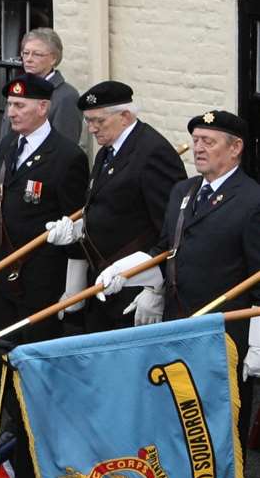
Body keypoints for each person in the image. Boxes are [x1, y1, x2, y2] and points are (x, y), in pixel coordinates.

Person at [99, 109, 260, 437]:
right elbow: (167, 247)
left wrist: (258, 341)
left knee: (222, 427)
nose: (198, 148)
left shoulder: (252, 199)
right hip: (178, 321)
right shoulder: (183, 192)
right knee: (177, 421)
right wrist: (133, 273)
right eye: (196, 140)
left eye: (209, 142)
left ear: (235, 148)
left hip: (224, 330)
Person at [0, 71, 88, 426]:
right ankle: (4, 424)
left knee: (36, 357)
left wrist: (72, 287)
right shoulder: (9, 146)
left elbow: (77, 225)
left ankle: (36, 427)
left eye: (19, 105)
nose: (11, 112)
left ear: (43, 107)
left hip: (41, 278)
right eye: (9, 105)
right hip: (4, 273)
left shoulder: (66, 156)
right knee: (1, 354)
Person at [45, 80, 184, 334]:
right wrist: (77, 229)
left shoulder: (153, 153)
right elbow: (105, 206)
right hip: (103, 281)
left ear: (125, 115)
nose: (92, 128)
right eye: (88, 121)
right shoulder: (108, 150)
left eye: (99, 120)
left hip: (134, 288)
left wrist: (157, 288)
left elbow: (171, 228)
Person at [19, 28, 81, 143]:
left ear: (53, 59)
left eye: (36, 54)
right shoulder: (18, 89)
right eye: (26, 53)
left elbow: (65, 147)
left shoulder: (66, 96)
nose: (28, 59)